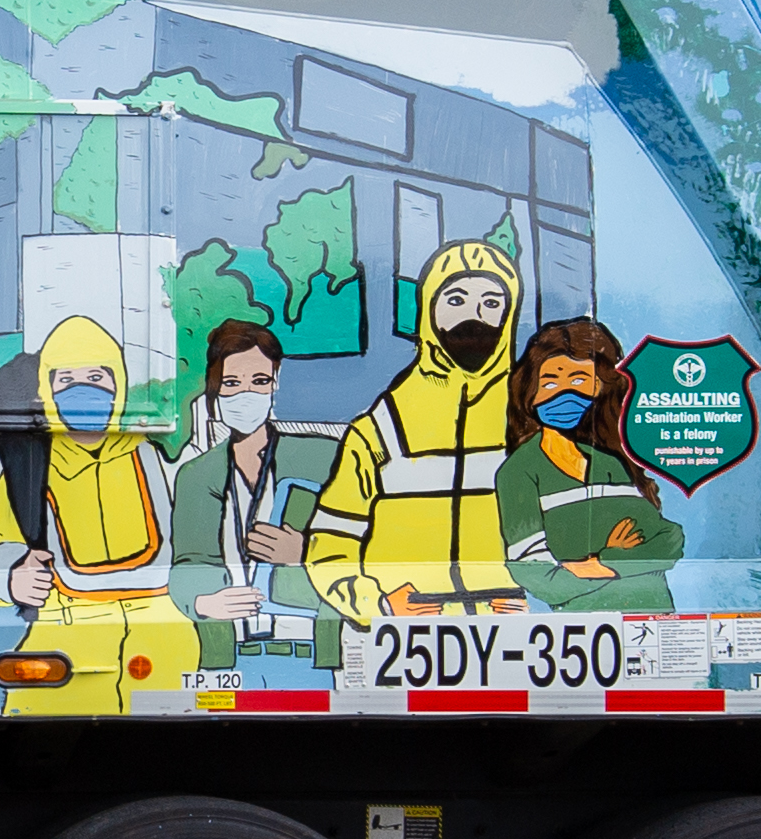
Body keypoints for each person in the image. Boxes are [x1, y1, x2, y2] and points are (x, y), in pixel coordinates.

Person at [0, 313, 183, 711]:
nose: (83, 390)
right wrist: (12, 574)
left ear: (119, 385)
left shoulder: (154, 460)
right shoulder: (30, 470)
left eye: (97, 378)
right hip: (61, 638)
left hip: (164, 643)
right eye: (66, 380)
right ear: (46, 391)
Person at [304, 233, 526, 623]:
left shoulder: (528, 419)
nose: (473, 315)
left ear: (508, 316)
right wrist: (379, 605)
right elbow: (330, 543)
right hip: (397, 643)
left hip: (512, 637)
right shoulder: (381, 427)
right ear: (428, 308)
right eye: (455, 300)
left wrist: (541, 598)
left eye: (491, 303)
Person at [170, 319, 339, 681]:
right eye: (232, 383)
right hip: (226, 655)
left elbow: (366, 544)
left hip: (312, 651)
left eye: (259, 381)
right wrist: (203, 603)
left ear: (275, 383)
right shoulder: (196, 476)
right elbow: (187, 563)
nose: (247, 393)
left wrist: (306, 553)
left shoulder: (323, 459)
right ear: (214, 389)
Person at [497, 316, 679, 612]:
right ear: (530, 390)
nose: (564, 392)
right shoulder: (520, 472)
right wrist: (626, 562)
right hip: (583, 631)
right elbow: (536, 574)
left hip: (653, 618)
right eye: (550, 381)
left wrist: (600, 564)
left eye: (579, 380)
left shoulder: (612, 463)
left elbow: (669, 540)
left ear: (601, 387)